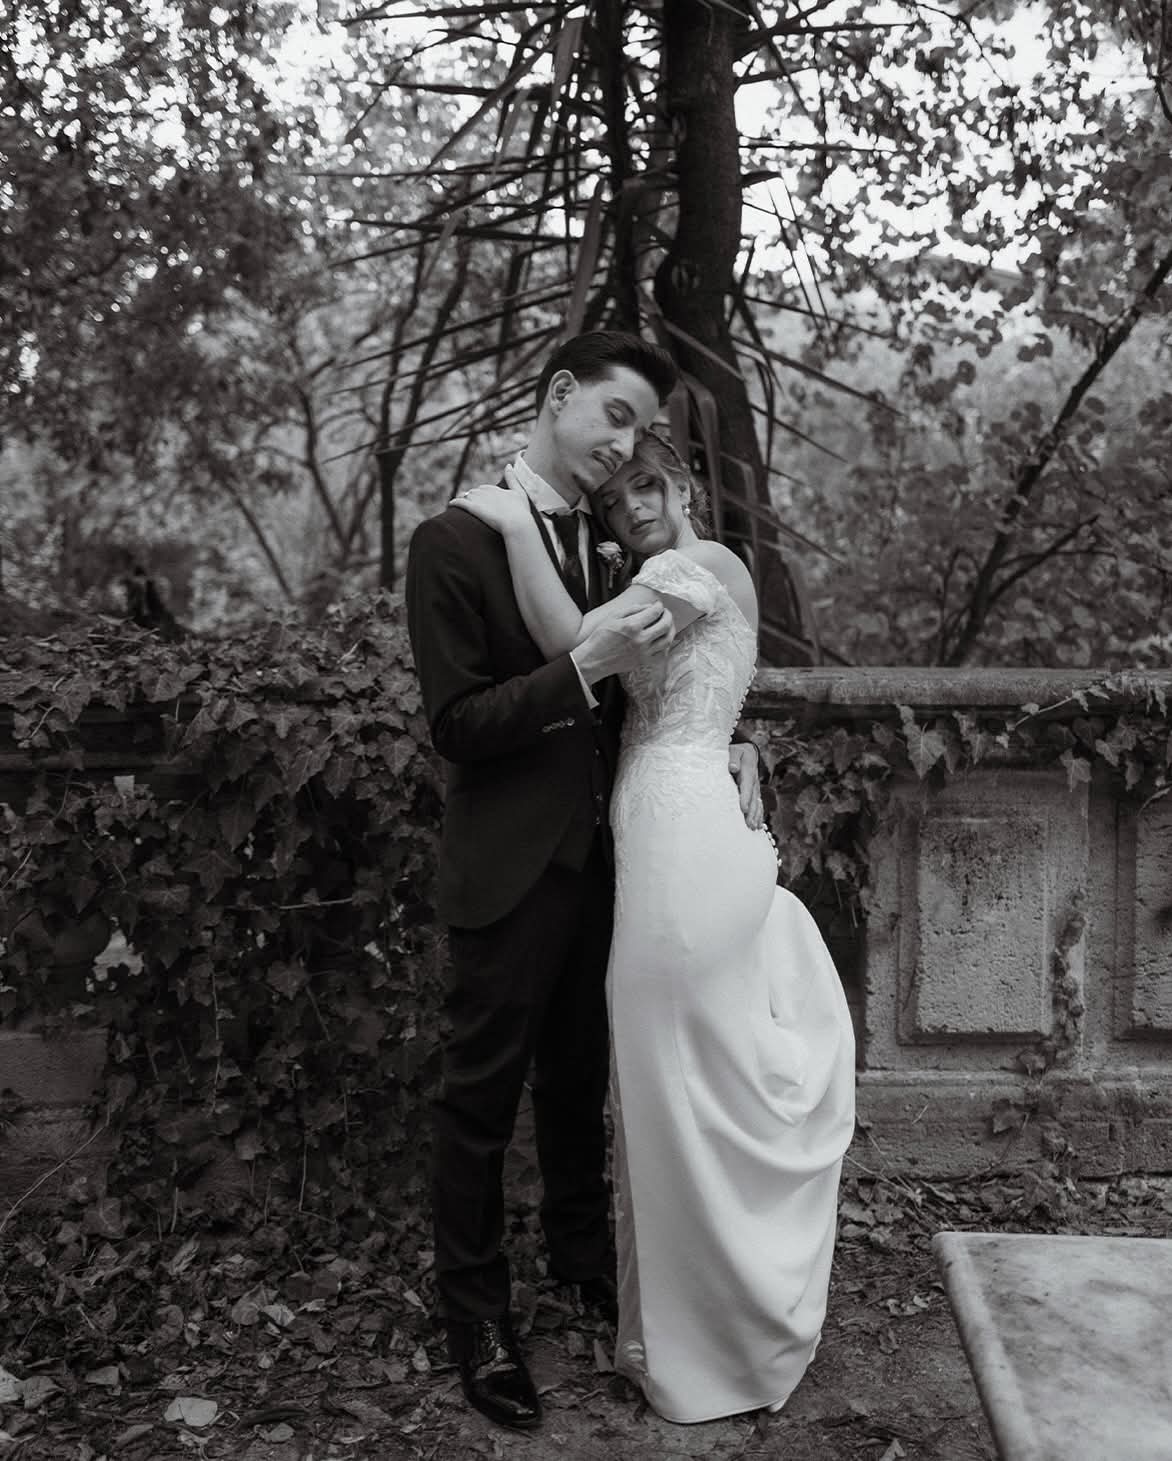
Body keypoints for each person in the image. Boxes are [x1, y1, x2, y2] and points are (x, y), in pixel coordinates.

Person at [452, 429, 856, 1425]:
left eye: (646, 484)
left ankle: (721, 1332)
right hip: (651, 830)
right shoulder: (668, 577)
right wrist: (739, 740)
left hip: (684, 840)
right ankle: (690, 1317)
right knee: (669, 1076)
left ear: (681, 484)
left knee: (679, 1076)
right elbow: (670, 694)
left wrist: (512, 524)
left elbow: (575, 647)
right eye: (614, 497)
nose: (630, 504)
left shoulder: (697, 563)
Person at [405, 331, 764, 1432]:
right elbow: (459, 726)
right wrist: (577, 671)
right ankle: (477, 1321)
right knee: (480, 1100)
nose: (623, 445)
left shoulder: (623, 548)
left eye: (639, 430)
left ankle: (583, 1265)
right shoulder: (454, 540)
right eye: (613, 414)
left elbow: (674, 683)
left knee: (579, 1084)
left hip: (619, 860)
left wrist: (733, 744)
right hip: (510, 865)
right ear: (559, 394)